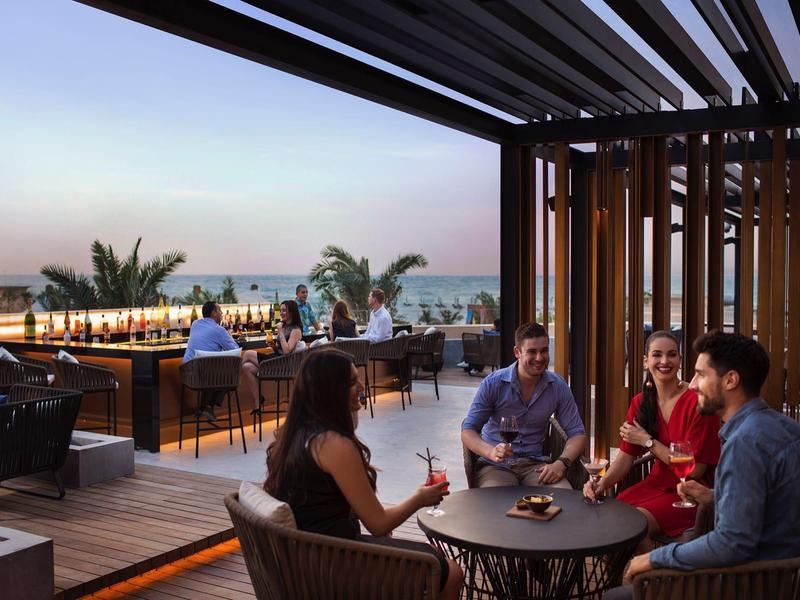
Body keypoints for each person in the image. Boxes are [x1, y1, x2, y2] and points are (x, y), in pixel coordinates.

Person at [609, 331, 800, 599]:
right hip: (783, 574)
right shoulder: (785, 427)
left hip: (751, 581)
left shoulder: (744, 443)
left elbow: (731, 544)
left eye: (701, 374)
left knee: (615, 595)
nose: (693, 384)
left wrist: (654, 559)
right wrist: (713, 496)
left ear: (731, 380)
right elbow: (769, 502)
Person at [265, 349, 464, 599]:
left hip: (308, 557)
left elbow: (320, 502)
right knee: (450, 571)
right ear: (329, 392)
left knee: (430, 558)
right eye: (351, 382)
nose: (361, 385)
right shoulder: (333, 444)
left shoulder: (295, 435)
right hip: (334, 564)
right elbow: (379, 524)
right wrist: (420, 498)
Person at [583, 330, 720, 551]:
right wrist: (601, 484)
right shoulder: (640, 402)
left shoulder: (698, 403)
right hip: (653, 486)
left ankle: (652, 582)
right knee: (607, 519)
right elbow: (626, 457)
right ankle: (616, 583)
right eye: (657, 355)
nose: (665, 361)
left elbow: (695, 471)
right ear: (646, 362)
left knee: (631, 525)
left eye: (672, 354)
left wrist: (648, 442)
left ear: (680, 360)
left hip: (688, 494)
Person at [461, 322, 586, 488]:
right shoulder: (493, 384)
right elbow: (468, 430)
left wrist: (561, 463)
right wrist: (491, 451)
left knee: (565, 499)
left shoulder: (557, 386)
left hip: (536, 466)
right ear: (517, 352)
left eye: (544, 351)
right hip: (496, 466)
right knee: (494, 507)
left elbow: (577, 433)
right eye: (532, 352)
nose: (539, 358)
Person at [183, 301, 260, 417]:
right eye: (219, 310)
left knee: (214, 369)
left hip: (187, 373)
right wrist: (227, 337)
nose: (222, 313)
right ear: (214, 313)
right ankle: (209, 406)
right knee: (229, 375)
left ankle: (204, 407)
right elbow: (235, 350)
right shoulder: (219, 330)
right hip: (204, 375)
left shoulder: (195, 324)